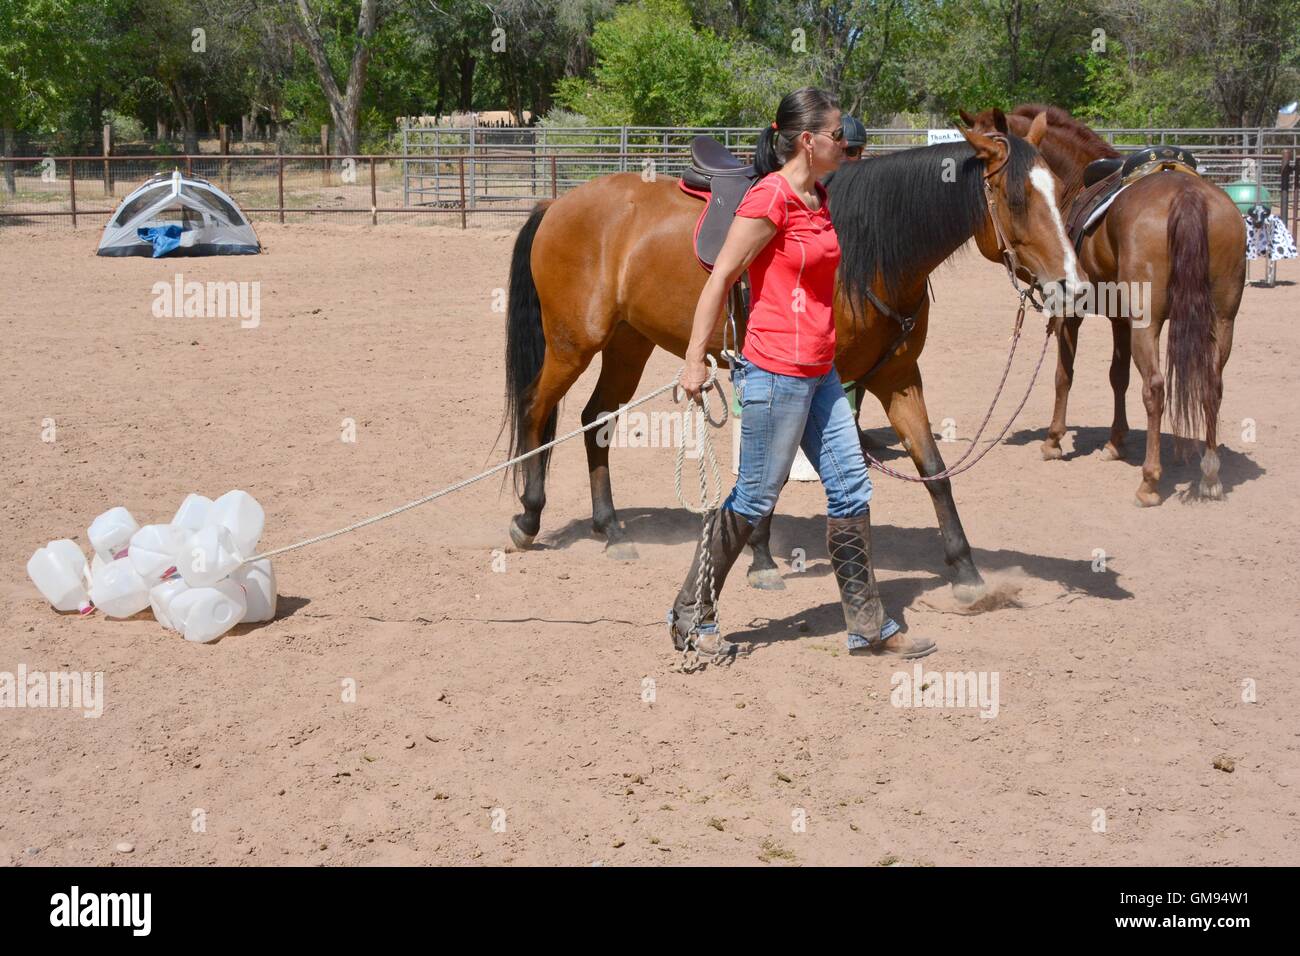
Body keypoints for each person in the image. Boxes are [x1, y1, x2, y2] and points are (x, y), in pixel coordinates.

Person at [668, 87, 936, 661]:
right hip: (774, 374)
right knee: (757, 495)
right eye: (839, 135)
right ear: (807, 140)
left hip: (821, 375)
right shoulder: (771, 200)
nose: (848, 142)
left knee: (850, 487)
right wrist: (694, 358)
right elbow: (720, 279)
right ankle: (691, 611)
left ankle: (868, 623)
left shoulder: (819, 197)